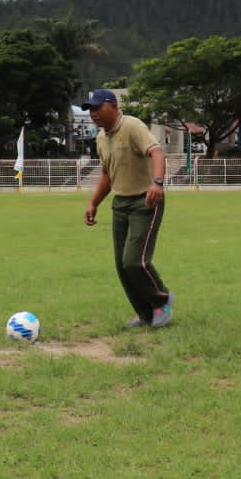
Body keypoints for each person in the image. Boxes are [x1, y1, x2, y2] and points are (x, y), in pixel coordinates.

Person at [83, 88, 173, 328]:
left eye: (97, 108)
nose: (93, 114)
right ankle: (145, 315)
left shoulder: (132, 126)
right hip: (120, 203)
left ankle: (162, 300)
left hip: (145, 200)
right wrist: (94, 203)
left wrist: (158, 183)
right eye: (90, 110)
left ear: (113, 106)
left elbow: (156, 152)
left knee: (135, 261)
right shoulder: (101, 138)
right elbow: (106, 174)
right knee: (121, 266)